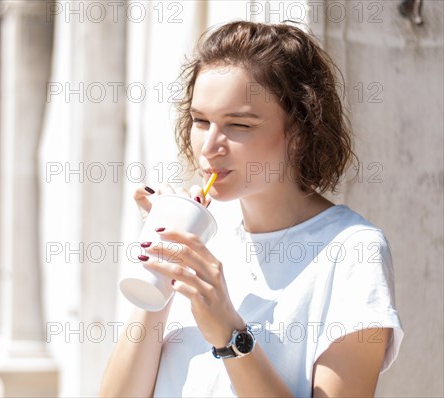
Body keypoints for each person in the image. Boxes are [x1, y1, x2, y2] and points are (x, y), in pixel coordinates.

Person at [100, 20, 403, 397]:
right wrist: (161, 278)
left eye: (238, 124)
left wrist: (230, 335)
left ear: (301, 129)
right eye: (200, 120)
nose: (210, 146)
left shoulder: (353, 251)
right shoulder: (206, 238)